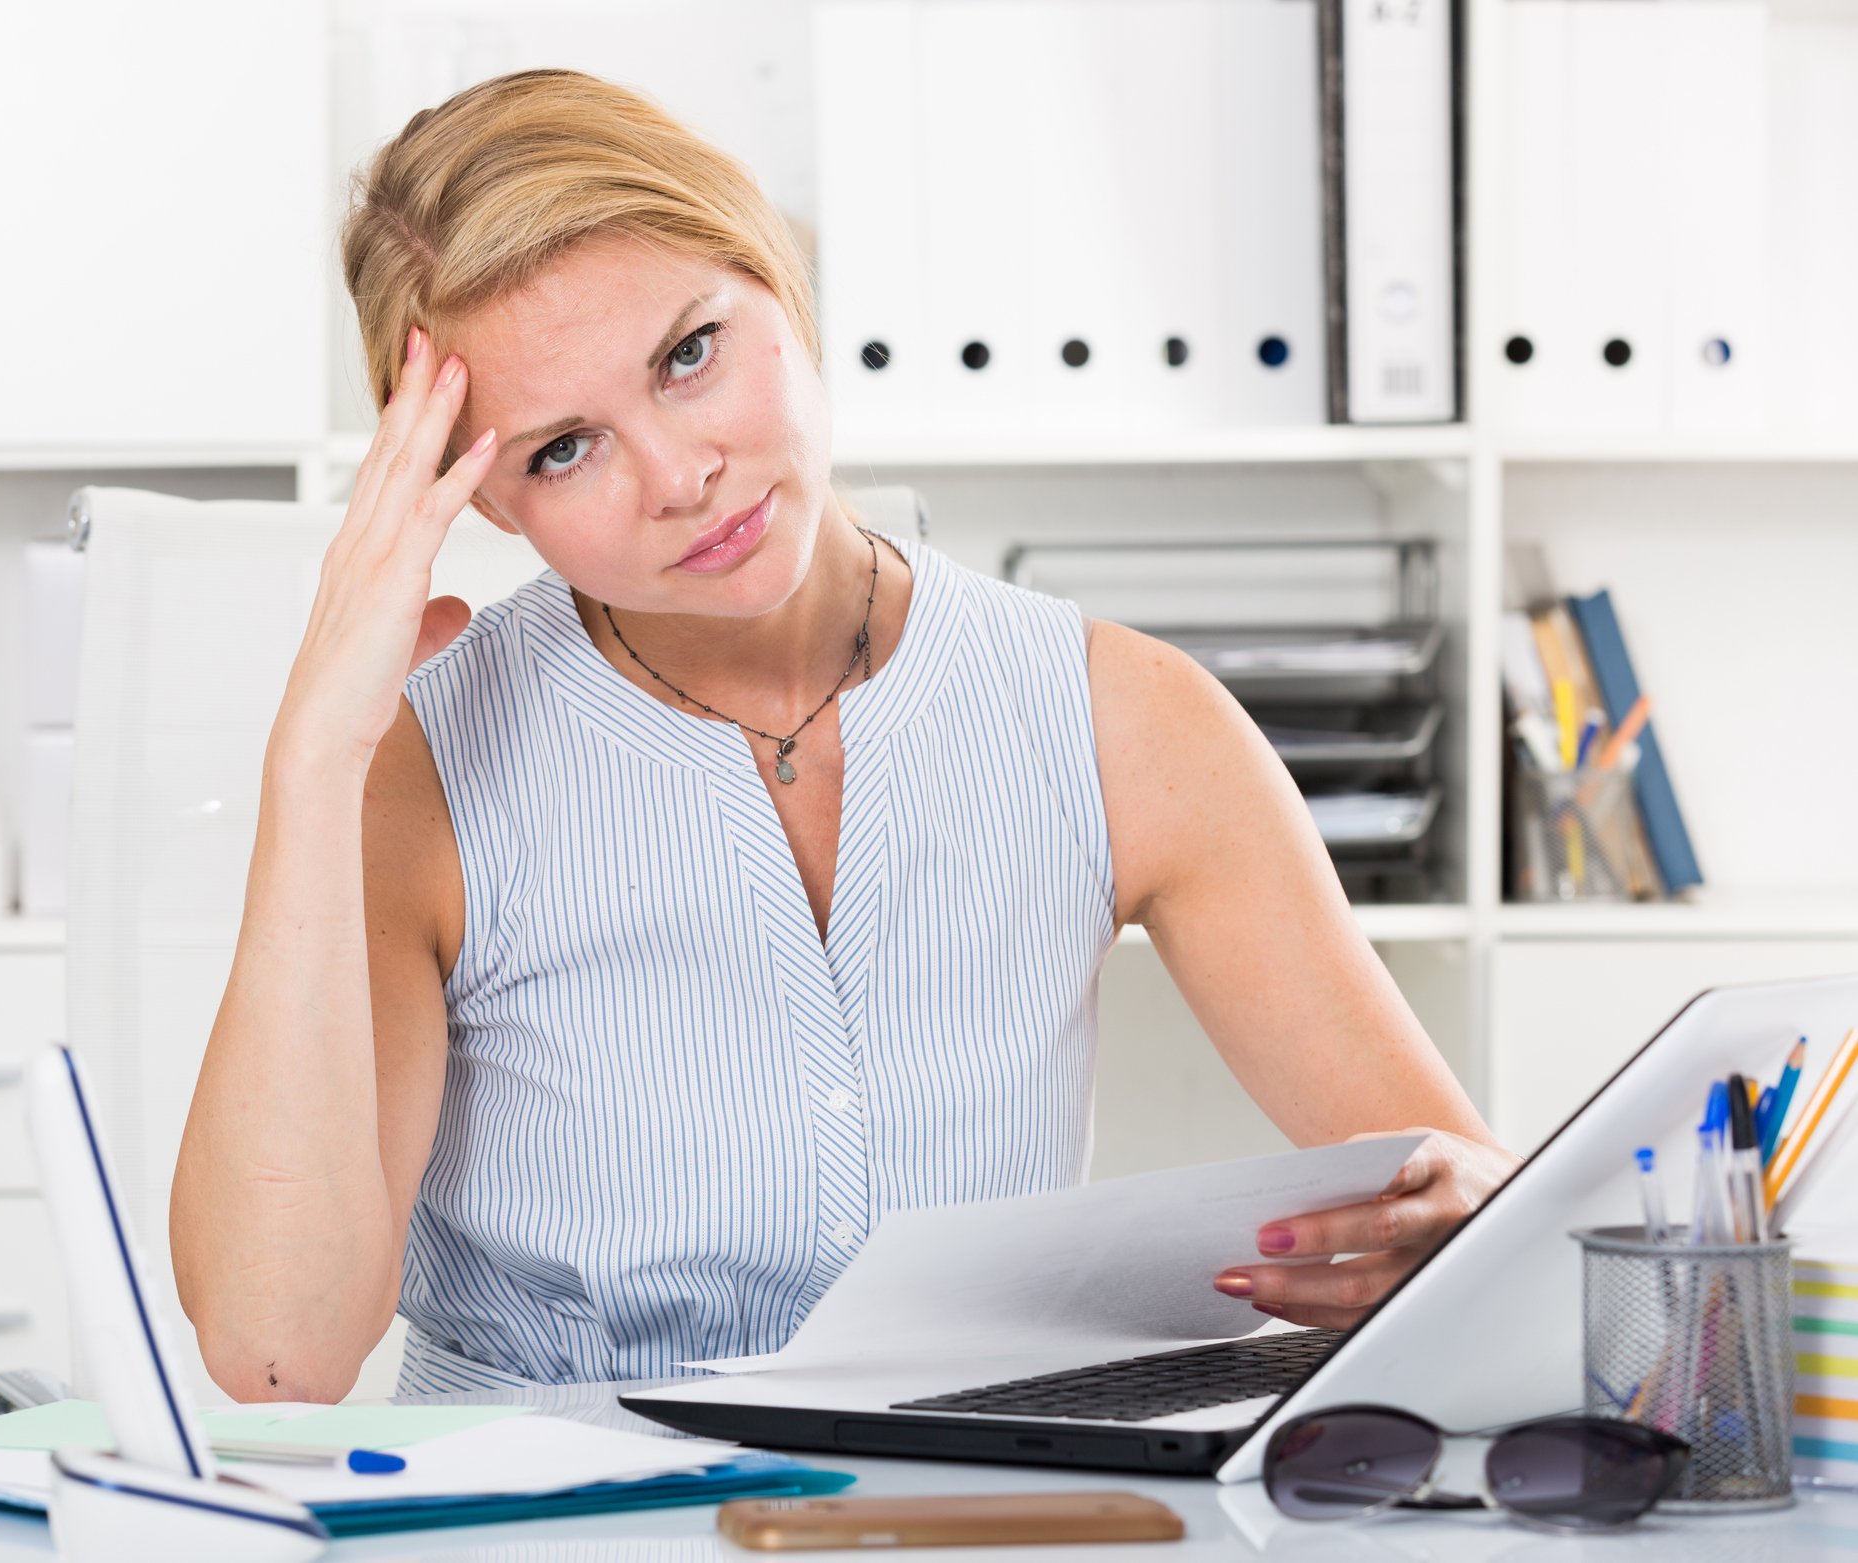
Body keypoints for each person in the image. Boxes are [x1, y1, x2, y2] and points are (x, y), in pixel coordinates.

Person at [169, 67, 1518, 1403]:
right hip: (549, 1514)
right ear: (490, 504)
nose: (678, 477)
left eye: (688, 355)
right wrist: (313, 761)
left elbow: (1468, 1213)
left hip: (965, 1499)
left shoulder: (1122, 720)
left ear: (783, 284)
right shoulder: (417, 772)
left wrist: (1462, 1215)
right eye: (563, 449)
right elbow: (277, 1351)